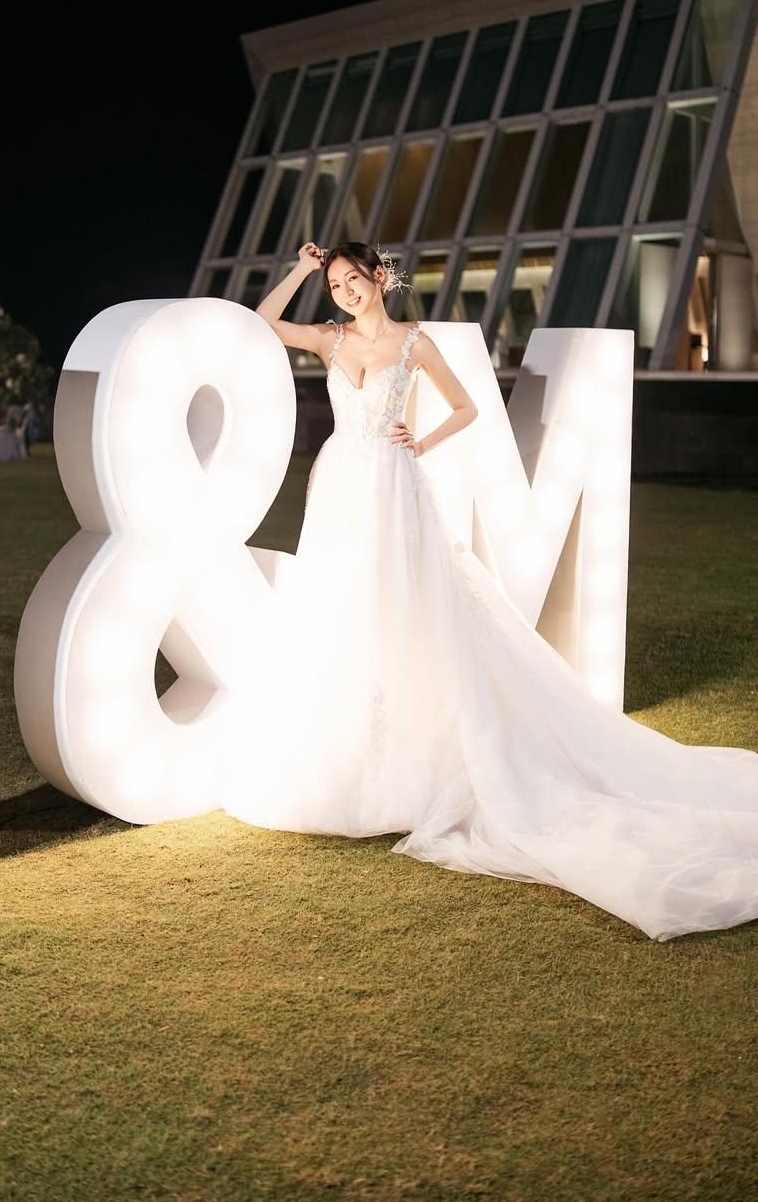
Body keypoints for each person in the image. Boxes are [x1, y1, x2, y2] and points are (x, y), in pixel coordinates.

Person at [218, 240, 758, 943]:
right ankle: (354, 758)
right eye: (336, 285)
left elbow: (468, 407)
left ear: (380, 278)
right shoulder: (329, 339)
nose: (346, 292)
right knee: (343, 620)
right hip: (342, 492)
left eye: (354, 280)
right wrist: (299, 266)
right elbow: (260, 321)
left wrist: (422, 439)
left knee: (411, 616)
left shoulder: (413, 341)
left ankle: (413, 764)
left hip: (394, 485)